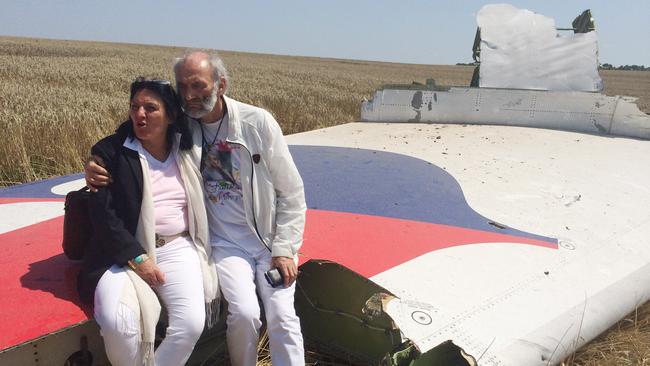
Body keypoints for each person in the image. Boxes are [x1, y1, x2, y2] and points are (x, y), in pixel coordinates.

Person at [86, 51, 307, 366]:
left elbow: (292, 190)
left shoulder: (257, 123)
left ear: (221, 85)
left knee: (282, 316)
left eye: (198, 85)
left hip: (269, 241)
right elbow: (139, 126)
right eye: (183, 86)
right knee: (244, 313)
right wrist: (97, 159)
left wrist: (284, 248)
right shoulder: (185, 126)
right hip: (225, 244)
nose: (190, 95)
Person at [78, 77, 219, 366]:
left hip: (177, 246)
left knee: (191, 323)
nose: (139, 114)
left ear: (171, 115)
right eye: (134, 106)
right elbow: (103, 216)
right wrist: (137, 258)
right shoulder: (111, 152)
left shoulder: (189, 147)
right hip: (119, 253)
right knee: (119, 322)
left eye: (150, 108)